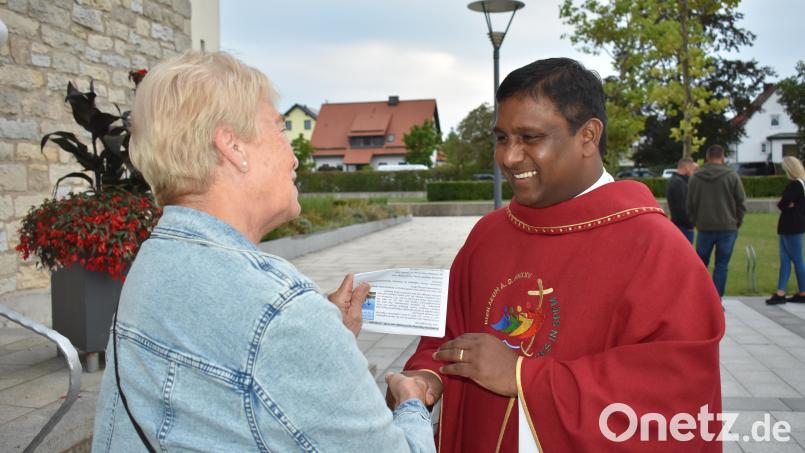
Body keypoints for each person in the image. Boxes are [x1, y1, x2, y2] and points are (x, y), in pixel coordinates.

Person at [92, 51, 436, 453]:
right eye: (279, 130)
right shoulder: (282, 312)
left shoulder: (154, 260)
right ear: (233, 146)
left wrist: (324, 344)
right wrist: (412, 403)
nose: (293, 157)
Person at [400, 58, 724, 452]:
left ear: (588, 136)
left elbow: (675, 397)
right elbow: (447, 336)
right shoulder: (489, 235)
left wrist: (522, 376)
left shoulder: (656, 249)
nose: (509, 157)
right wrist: (427, 378)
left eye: (530, 137)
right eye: (502, 138)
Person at [687, 144, 747, 298]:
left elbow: (689, 203)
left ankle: (701, 298)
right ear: (722, 157)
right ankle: (717, 299)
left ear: (707, 157)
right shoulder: (731, 176)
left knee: (701, 265)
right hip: (727, 226)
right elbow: (741, 202)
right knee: (722, 265)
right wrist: (736, 222)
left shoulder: (696, 177)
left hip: (704, 227)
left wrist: (695, 221)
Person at [767, 156, 805, 305]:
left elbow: (782, 204)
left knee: (796, 259)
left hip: (792, 227)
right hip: (791, 226)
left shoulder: (795, 185)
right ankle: (781, 291)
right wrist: (788, 204)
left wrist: (786, 204)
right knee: (786, 260)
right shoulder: (800, 184)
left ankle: (802, 292)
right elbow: (787, 204)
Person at [666, 157, 698, 243]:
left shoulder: (675, 180)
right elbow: (683, 207)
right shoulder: (679, 183)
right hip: (683, 227)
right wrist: (690, 225)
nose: (693, 172)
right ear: (686, 168)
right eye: (692, 169)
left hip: (679, 224)